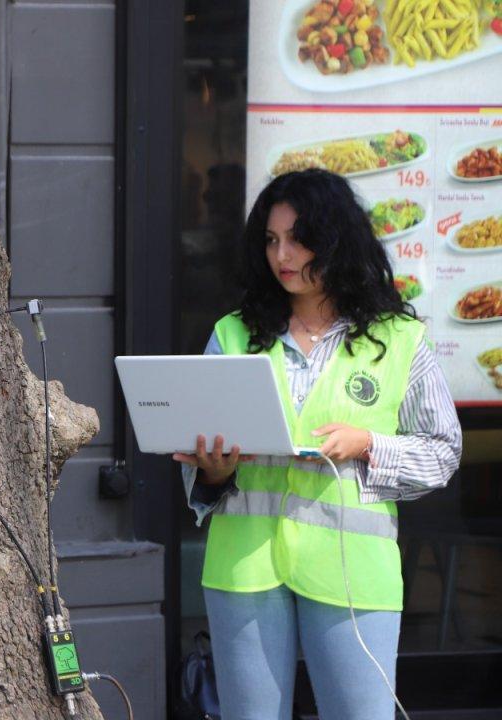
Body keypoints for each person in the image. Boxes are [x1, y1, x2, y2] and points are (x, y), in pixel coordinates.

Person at [175, 169, 461, 720]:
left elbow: (443, 451)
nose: (282, 255)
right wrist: (213, 470)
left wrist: (368, 443)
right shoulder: (232, 334)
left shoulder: (400, 339)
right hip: (245, 570)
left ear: (335, 241)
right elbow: (204, 467)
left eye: (298, 239)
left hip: (353, 572)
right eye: (271, 240)